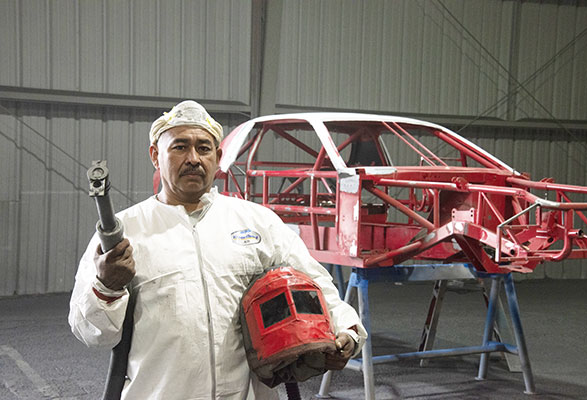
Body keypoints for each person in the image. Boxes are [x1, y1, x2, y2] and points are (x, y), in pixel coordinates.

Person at [69, 100, 367, 399]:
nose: (193, 159)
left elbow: (315, 284)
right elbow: (92, 333)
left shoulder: (257, 221)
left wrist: (347, 329)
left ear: (218, 157)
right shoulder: (127, 232)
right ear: (155, 156)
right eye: (180, 147)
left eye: (203, 148)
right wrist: (107, 287)